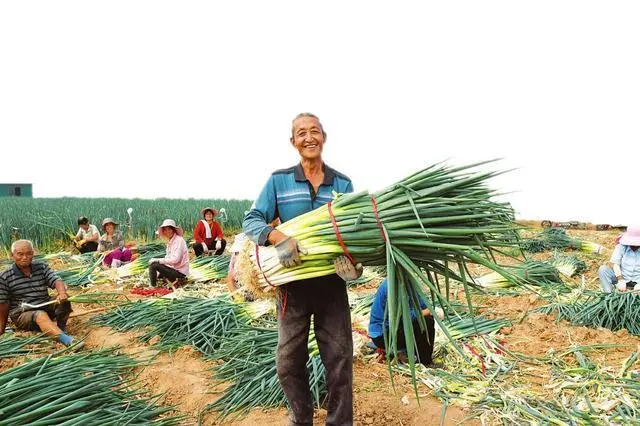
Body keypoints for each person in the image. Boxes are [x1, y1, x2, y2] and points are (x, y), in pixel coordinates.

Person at [243, 112, 362, 425]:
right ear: (293, 142)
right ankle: (301, 418)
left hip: (331, 285)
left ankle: (339, 422)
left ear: (324, 137)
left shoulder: (343, 183)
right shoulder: (279, 181)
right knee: (287, 361)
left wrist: (355, 267)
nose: (309, 138)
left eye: (314, 131)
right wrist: (278, 238)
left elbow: (355, 237)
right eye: (301, 133)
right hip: (291, 286)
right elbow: (252, 220)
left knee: (339, 360)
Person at [0, 240, 80, 347]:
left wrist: (62, 293)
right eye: (20, 254)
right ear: (12, 255)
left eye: (28, 253)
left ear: (33, 253)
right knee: (40, 315)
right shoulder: (5, 276)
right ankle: (68, 341)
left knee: (65, 300)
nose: (25, 257)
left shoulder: (41, 267)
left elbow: (56, 280)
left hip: (44, 305)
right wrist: (2, 327)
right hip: (22, 314)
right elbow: (3, 304)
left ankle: (60, 329)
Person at [368, 278, 443, 367]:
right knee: (426, 321)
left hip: (396, 328)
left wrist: (432, 309)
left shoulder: (409, 282)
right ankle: (425, 362)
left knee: (427, 319)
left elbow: (422, 304)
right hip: (383, 335)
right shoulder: (392, 285)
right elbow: (404, 317)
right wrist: (429, 311)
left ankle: (418, 355)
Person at [149, 219, 189, 288]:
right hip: (174, 269)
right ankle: (159, 282)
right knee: (157, 266)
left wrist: (157, 260)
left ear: (173, 230)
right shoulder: (171, 241)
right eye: (165, 230)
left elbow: (175, 259)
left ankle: (153, 286)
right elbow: (168, 258)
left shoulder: (179, 240)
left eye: (169, 229)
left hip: (180, 273)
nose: (167, 232)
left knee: (153, 265)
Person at [599, 225, 640, 292]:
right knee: (603, 269)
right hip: (623, 277)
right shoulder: (621, 246)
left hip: (638, 280)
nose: (634, 245)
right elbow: (616, 264)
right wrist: (620, 279)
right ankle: (608, 294)